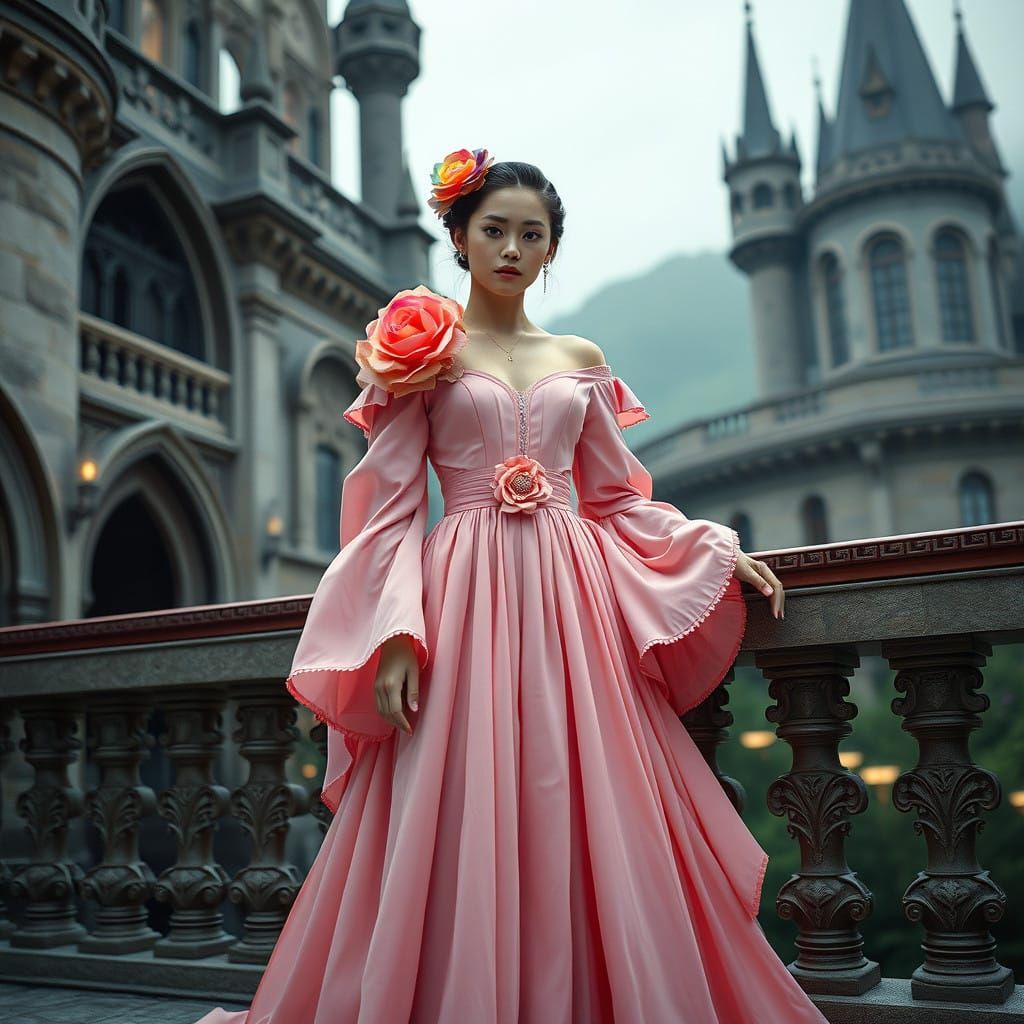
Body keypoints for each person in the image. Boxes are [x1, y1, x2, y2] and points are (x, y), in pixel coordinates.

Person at [193, 149, 826, 1023]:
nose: (512, 249)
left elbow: (612, 495)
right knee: (454, 810)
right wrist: (395, 635)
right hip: (458, 607)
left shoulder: (579, 355)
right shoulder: (425, 352)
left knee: (585, 803)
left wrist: (711, 547)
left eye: (533, 235)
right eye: (494, 230)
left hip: (575, 611)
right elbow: (386, 510)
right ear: (458, 236)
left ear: (550, 249)